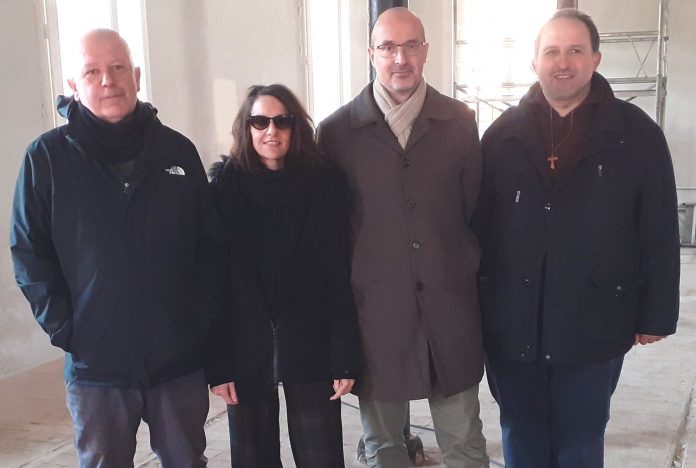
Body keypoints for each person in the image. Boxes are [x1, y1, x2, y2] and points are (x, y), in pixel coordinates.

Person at [474, 8, 680, 467]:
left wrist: (656, 313)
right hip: (514, 322)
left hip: (595, 318)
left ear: (595, 58)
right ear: (534, 62)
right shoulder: (502, 136)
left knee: (581, 437)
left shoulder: (635, 135)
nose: (562, 62)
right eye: (552, 52)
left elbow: (659, 229)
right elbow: (478, 229)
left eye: (575, 50)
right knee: (520, 431)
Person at [10, 29, 220, 467]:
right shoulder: (46, 159)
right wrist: (68, 329)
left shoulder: (176, 152)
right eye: (92, 71)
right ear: (74, 84)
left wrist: (196, 323)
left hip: (177, 361)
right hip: (97, 369)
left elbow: (210, 246)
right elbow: (30, 253)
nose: (108, 80)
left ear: (136, 76)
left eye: (118, 67)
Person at [318, 7, 489, 468]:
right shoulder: (336, 134)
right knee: (384, 446)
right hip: (375, 316)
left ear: (425, 51)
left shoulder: (458, 123)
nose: (400, 58)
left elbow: (474, 213)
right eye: (388, 47)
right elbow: (334, 230)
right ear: (371, 54)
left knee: (464, 441)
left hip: (450, 310)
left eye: (411, 46)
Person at [205, 84, 361, 468]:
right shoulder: (225, 188)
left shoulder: (325, 186)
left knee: (321, 457)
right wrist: (219, 364)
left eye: (281, 121)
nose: (271, 131)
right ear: (247, 127)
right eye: (260, 121)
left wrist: (344, 356)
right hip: (246, 348)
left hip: (312, 342)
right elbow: (216, 283)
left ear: (296, 127)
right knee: (252, 458)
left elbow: (338, 273)